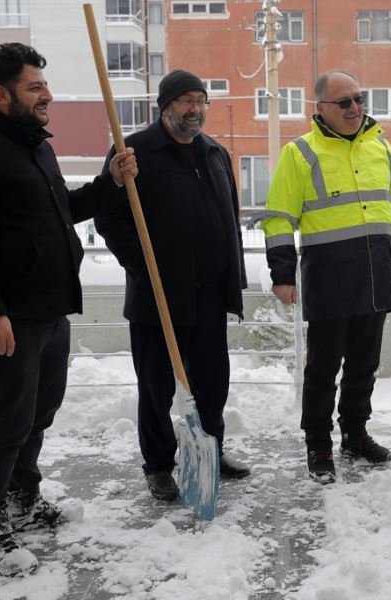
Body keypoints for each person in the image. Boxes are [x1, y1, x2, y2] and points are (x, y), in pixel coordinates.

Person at [0, 42, 136, 575]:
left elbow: (60, 211)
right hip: (8, 318)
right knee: (8, 421)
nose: (47, 95)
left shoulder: (35, 147)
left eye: (44, 85)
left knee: (38, 414)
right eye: (34, 87)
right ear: (2, 95)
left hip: (49, 311)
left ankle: (23, 497)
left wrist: (109, 184)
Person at [94, 70, 250, 502]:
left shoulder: (215, 153)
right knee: (157, 386)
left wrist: (231, 279)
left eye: (202, 100)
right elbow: (108, 217)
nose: (195, 109)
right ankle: (159, 465)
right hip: (156, 298)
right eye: (186, 101)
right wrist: (144, 268)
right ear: (164, 106)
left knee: (213, 384)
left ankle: (209, 453)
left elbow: (228, 220)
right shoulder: (134, 153)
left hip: (209, 296)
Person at [262, 70, 391, 484]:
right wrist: (281, 273)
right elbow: (279, 216)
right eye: (344, 102)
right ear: (321, 109)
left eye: (359, 99)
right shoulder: (300, 153)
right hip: (329, 275)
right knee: (323, 367)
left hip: (376, 272)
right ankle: (318, 443)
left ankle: (355, 434)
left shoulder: (380, 148)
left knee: (364, 365)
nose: (355, 108)